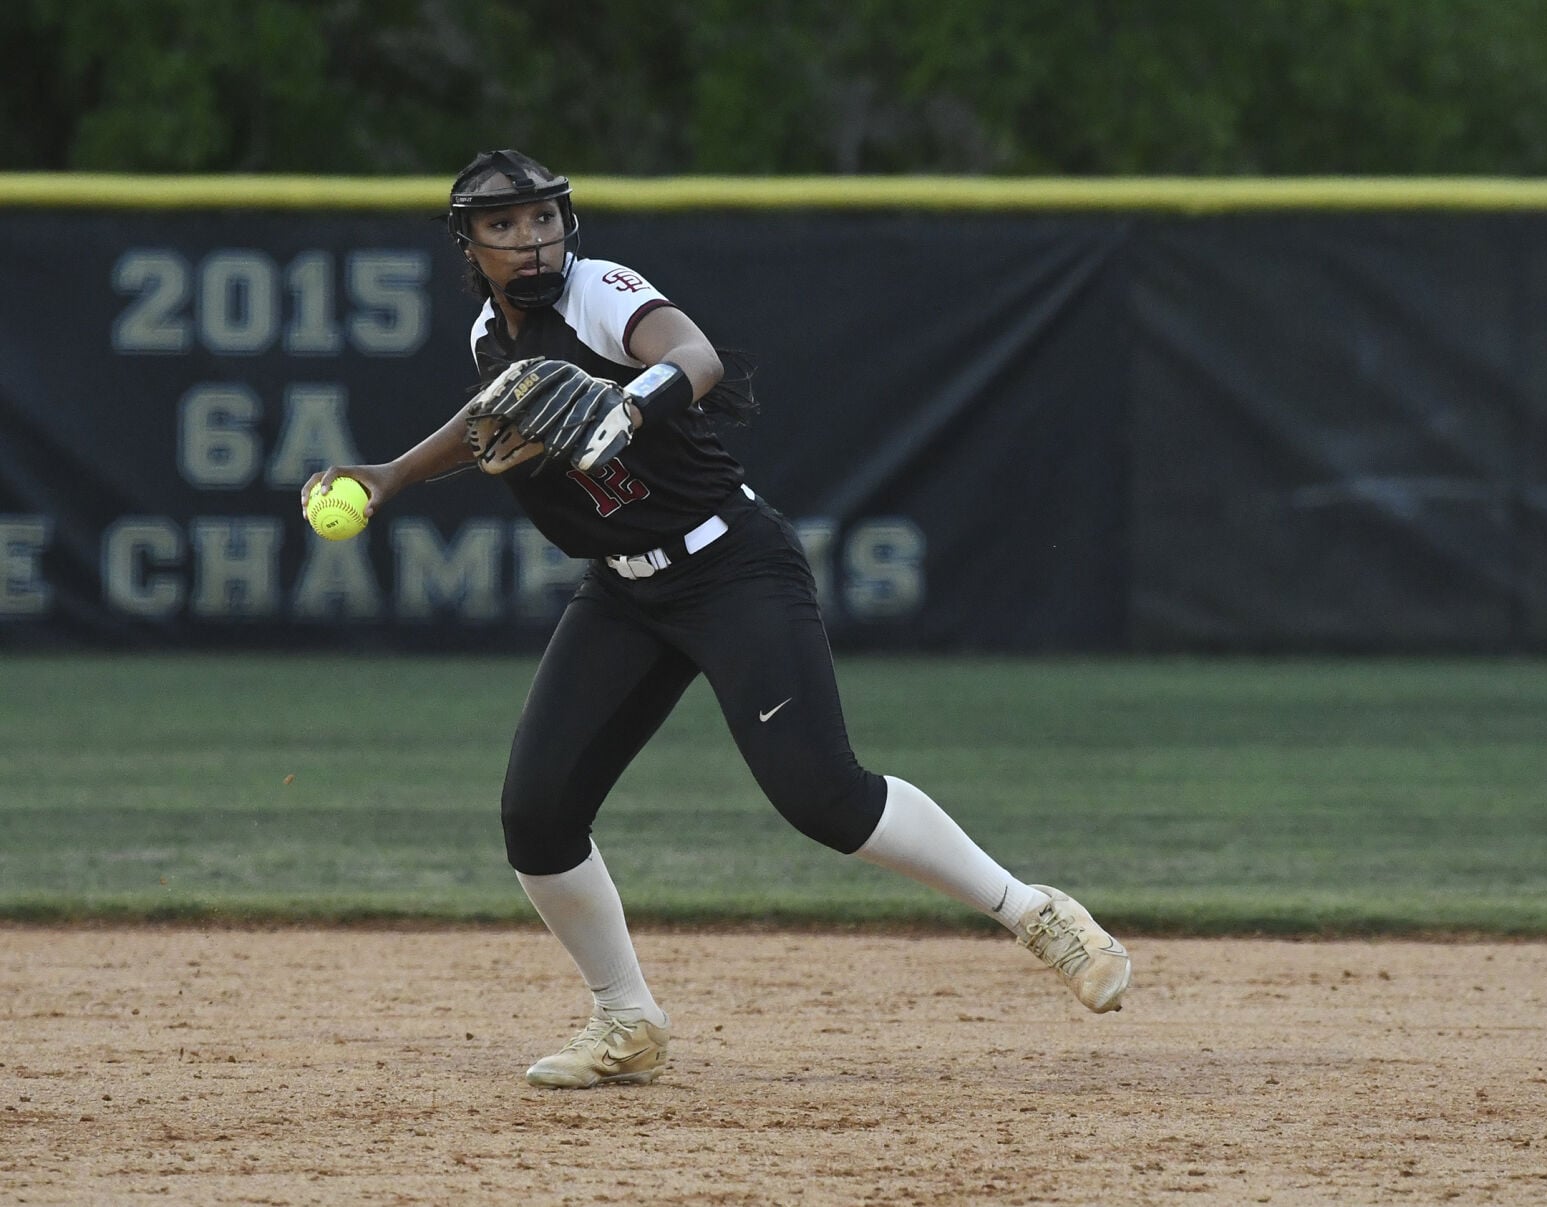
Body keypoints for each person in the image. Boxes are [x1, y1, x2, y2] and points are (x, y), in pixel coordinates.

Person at [302, 149, 1131, 1090]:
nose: (531, 240)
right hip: (624, 590)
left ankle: (1036, 912)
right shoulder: (491, 335)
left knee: (824, 796)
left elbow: (691, 355)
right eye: (504, 226)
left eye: (543, 219)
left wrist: (634, 395)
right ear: (470, 244)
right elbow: (489, 418)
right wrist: (386, 477)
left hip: (731, 562)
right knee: (537, 816)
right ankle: (628, 1021)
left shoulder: (603, 291)